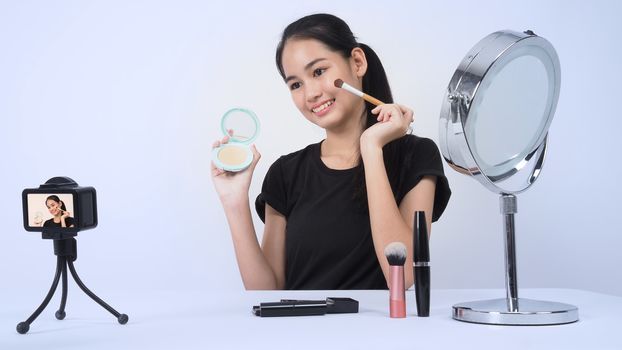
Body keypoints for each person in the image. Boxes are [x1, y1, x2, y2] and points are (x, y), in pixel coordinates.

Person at [211, 13, 450, 290]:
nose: (310, 93)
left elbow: (405, 275)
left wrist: (371, 147)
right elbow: (266, 293)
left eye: (319, 71)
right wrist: (234, 200)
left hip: (377, 332)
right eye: (296, 84)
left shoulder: (416, 156)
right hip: (300, 332)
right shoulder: (286, 173)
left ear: (357, 62)